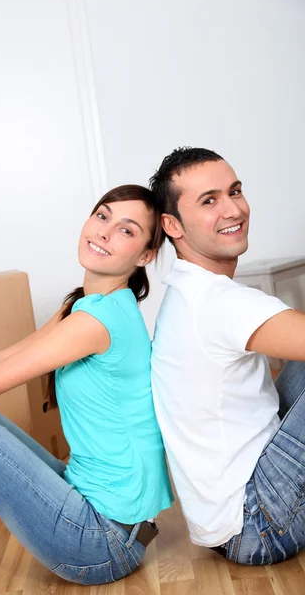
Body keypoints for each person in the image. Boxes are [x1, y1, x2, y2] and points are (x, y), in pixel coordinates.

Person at [0, 185, 173, 593]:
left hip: (105, 540)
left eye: (126, 230)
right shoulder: (86, 307)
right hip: (103, 516)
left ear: (145, 255)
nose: (104, 232)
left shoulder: (98, 322)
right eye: (102, 216)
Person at [149, 147, 305, 565]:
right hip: (259, 522)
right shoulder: (216, 301)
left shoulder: (185, 289)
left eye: (234, 191)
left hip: (229, 518)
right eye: (209, 201)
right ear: (172, 225)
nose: (233, 209)